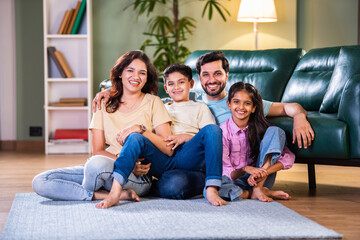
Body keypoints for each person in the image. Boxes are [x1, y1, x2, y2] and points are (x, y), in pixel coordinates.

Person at [93, 51, 314, 199]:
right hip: (190, 161)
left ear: (227, 75)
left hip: (231, 165)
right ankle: (242, 191)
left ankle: (247, 187)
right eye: (206, 75)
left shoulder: (242, 101)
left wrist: (300, 116)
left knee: (271, 130)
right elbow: (139, 95)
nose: (212, 79)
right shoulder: (188, 100)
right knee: (172, 184)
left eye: (217, 73)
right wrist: (110, 91)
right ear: (198, 80)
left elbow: (289, 107)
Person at [32, 50, 171, 201]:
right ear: (120, 73)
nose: (136, 77)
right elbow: (97, 151)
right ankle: (102, 195)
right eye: (130, 70)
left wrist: (130, 163)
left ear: (147, 78)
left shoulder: (154, 102)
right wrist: (122, 161)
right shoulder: (103, 102)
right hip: (104, 165)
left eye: (142, 73)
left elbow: (167, 148)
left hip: (137, 176)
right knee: (40, 181)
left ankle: (87, 190)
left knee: (94, 166)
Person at [95, 63, 227, 208]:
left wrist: (186, 137)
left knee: (213, 130)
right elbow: (133, 91)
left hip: (188, 155)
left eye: (181, 82)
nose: (176, 87)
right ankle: (115, 192)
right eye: (171, 84)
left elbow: (209, 140)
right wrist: (110, 90)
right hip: (163, 157)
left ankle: (212, 188)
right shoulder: (158, 105)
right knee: (135, 137)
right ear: (166, 88)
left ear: (191, 84)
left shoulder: (200, 107)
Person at [218, 82, 294, 202]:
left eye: (247, 103)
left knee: (276, 131)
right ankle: (255, 193)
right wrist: (245, 169)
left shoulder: (261, 128)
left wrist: (262, 173)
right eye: (236, 102)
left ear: (254, 108)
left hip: (262, 179)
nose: (241, 107)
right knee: (214, 187)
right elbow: (227, 173)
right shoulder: (223, 132)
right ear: (229, 104)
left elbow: (288, 157)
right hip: (235, 182)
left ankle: (258, 188)